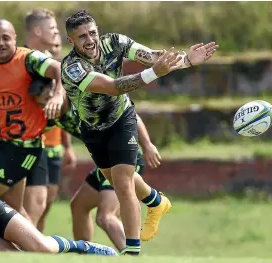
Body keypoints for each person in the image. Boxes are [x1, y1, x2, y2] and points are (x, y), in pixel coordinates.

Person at [61, 10, 218, 255]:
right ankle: (156, 201)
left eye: (92, 33)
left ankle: (132, 253)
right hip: (93, 130)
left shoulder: (115, 42)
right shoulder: (71, 68)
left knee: (123, 183)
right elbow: (112, 87)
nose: (90, 40)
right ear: (71, 41)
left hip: (122, 119)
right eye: (82, 37)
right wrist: (155, 73)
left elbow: (155, 58)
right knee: (118, 179)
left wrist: (186, 60)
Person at [30, 83, 163, 254]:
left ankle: (132, 256)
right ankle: (86, 255)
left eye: (49, 99)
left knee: (106, 216)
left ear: (57, 92)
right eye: (42, 104)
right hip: (104, 162)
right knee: (78, 206)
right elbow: (28, 133)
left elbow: (129, 112)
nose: (47, 106)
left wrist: (147, 145)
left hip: (125, 156)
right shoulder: (52, 116)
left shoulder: (82, 100)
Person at [0, 19, 65, 221]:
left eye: (6, 38)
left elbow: (59, 68)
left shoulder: (28, 59)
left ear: (15, 40)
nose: (1, 43)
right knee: (15, 211)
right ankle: (37, 250)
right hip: (3, 146)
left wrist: (58, 94)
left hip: (24, 147)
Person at [22, 8, 77, 232]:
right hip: (23, 143)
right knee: (28, 208)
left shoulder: (47, 65)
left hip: (42, 144)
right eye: (53, 29)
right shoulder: (22, 60)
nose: (57, 34)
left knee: (39, 206)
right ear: (37, 31)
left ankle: (31, 248)